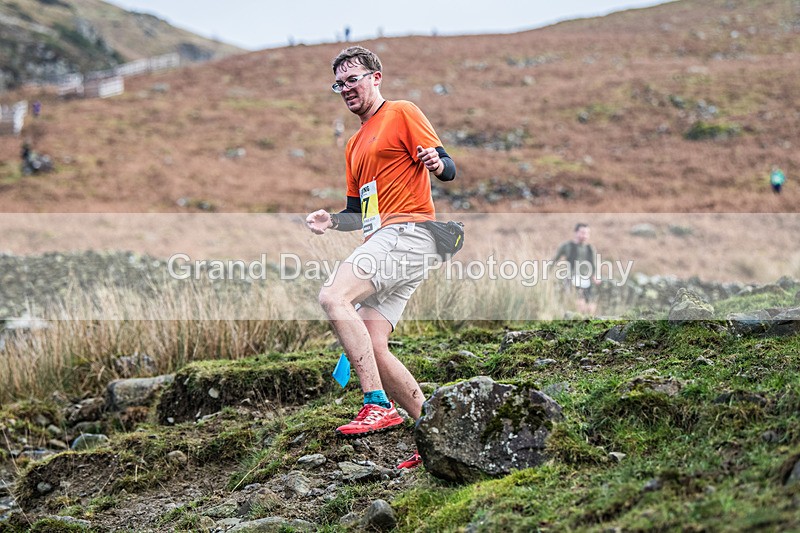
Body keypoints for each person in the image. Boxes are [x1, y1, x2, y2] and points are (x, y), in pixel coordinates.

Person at [305, 45, 456, 469]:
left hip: (409, 233)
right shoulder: (354, 145)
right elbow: (358, 213)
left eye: (353, 78)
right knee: (373, 344)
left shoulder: (403, 112)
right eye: (339, 83)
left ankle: (377, 403)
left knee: (334, 297)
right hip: (389, 240)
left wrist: (434, 163)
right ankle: (438, 441)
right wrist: (331, 220)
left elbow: (448, 166)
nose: (346, 88)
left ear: (376, 77)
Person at [552, 223, 600, 315]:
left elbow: (595, 264)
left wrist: (596, 276)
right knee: (579, 305)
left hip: (587, 280)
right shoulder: (567, 246)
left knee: (590, 307)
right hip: (572, 279)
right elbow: (554, 260)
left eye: (587, 233)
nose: (585, 235)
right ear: (576, 233)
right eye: (582, 232)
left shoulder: (590, 248)